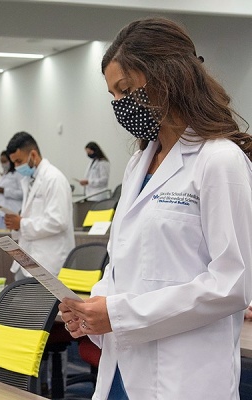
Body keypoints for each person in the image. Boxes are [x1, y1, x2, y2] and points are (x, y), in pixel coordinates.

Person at [60, 17, 252, 400]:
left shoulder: (219, 160)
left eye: (126, 89)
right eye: (114, 95)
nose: (121, 105)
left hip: (184, 377)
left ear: (167, 78)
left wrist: (120, 314)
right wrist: (94, 308)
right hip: (121, 367)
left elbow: (233, 283)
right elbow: (120, 264)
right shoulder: (138, 164)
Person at [4, 131, 74, 279]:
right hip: (29, 257)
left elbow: (58, 221)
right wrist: (17, 224)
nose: (16, 167)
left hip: (49, 260)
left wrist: (21, 224)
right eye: (14, 163)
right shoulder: (29, 180)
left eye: (19, 161)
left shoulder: (54, 179)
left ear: (33, 155)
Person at [0, 150, 23, 229]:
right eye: (1, 162)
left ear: (10, 161)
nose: (3, 164)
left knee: (9, 235)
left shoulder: (18, 174)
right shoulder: (4, 175)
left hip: (12, 211)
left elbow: (22, 193)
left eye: (5, 161)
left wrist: (5, 191)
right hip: (1, 211)